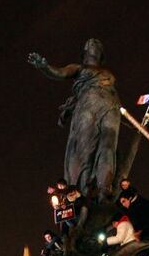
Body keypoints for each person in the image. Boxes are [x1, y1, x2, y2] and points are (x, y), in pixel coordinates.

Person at [28, 39, 121, 197]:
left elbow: (116, 97)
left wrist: (134, 123)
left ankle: (104, 186)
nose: (94, 44)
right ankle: (82, 191)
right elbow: (60, 73)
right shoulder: (79, 68)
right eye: (91, 44)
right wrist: (45, 67)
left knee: (108, 146)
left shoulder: (108, 73)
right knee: (84, 149)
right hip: (88, 105)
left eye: (98, 45)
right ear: (85, 52)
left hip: (111, 107)